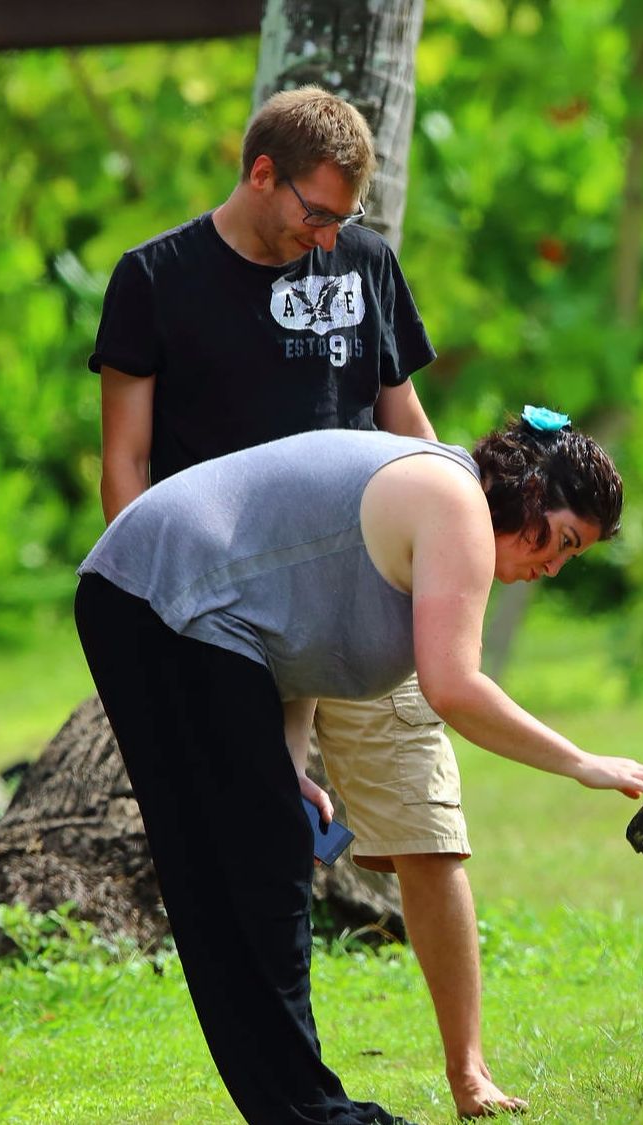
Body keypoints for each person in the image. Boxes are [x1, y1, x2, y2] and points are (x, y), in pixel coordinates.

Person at [90, 87, 524, 1115]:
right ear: (259, 175)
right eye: (314, 214)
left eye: (340, 219)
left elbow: (403, 416)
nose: (325, 236)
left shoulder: (359, 262)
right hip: (234, 614)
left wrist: (457, 532)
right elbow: (126, 462)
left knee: (426, 828)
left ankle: (468, 1072)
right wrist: (157, 606)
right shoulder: (155, 280)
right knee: (268, 851)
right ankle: (303, 1091)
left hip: (378, 585)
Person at [74, 413, 643, 1124]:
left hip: (163, 602)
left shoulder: (443, 502)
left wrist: (284, 765)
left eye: (572, 556)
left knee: (253, 864)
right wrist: (583, 762)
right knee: (244, 874)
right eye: (562, 539)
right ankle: (310, 1110)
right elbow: (452, 686)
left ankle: (300, 1108)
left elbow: (291, 632)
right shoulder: (457, 504)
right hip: (159, 594)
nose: (552, 564)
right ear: (528, 488)